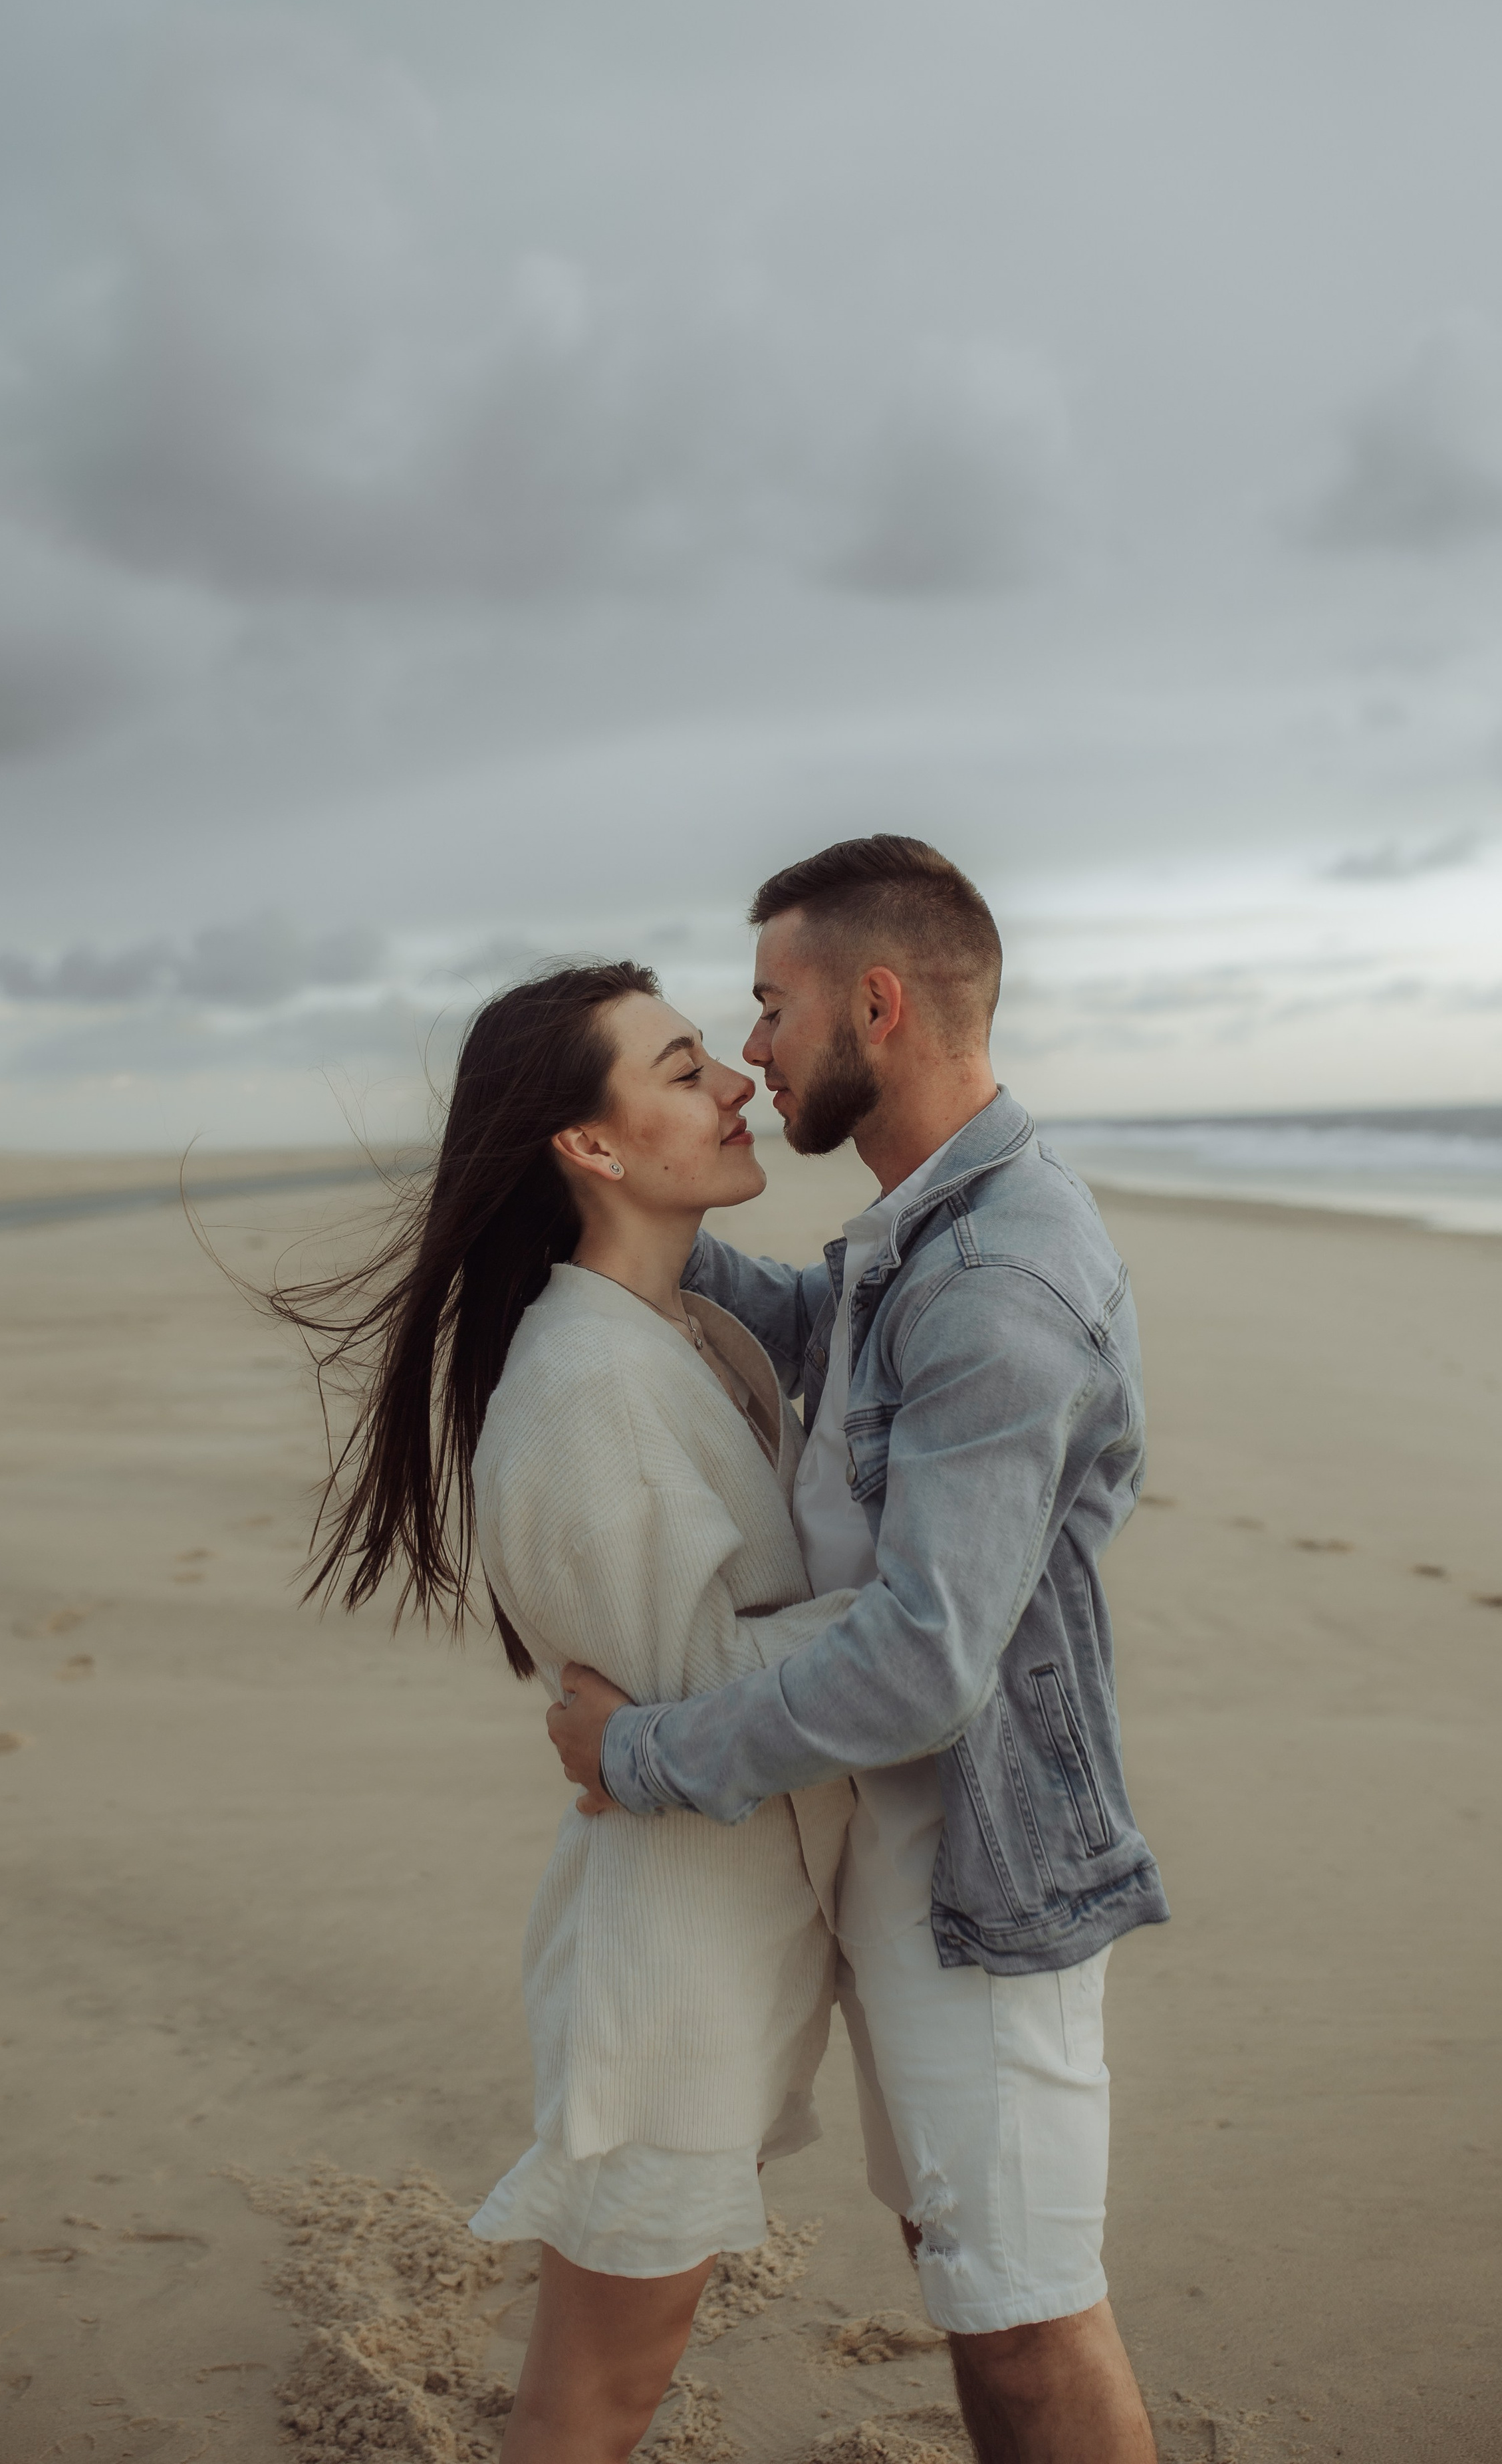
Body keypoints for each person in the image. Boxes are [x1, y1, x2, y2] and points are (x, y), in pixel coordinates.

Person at [547, 837, 1169, 2464]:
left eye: (768, 1006)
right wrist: (615, 1202)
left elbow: (920, 1663)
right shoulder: (915, 1233)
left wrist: (639, 1754)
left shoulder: (995, 1281)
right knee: (968, 2277)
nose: (751, 1050)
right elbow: (806, 1322)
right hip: (886, 1845)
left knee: (1027, 2317)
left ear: (873, 1005)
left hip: (980, 1864)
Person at [271, 960, 856, 2464]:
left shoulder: (688, 1337)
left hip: (728, 1935)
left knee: (611, 2385)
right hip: (661, 1971)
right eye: (678, 1069)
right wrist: (949, 1612)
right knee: (591, 2401)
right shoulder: (580, 1382)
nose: (735, 1077)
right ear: (590, 1151)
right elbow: (694, 1700)